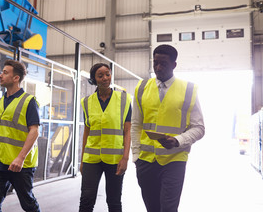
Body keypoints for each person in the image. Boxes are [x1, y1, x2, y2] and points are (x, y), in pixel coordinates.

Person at [131, 44, 205, 212]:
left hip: (174, 160)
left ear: (174, 65)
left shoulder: (189, 90)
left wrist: (178, 141)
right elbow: (136, 124)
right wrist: (136, 156)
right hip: (146, 161)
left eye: (163, 63)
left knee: (169, 208)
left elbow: (199, 128)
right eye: (155, 63)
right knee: (152, 208)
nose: (158, 67)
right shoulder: (141, 88)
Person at [0, 59, 40, 212]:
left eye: (5, 73)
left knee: (28, 204)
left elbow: (34, 131)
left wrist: (20, 157)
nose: (0, 75)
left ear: (16, 78)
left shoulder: (29, 101)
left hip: (19, 164)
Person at [79, 63, 132, 212]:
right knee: (86, 200)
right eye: (100, 75)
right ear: (94, 79)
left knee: (114, 201)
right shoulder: (86, 102)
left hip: (115, 159)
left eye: (107, 74)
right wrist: (82, 160)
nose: (105, 78)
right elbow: (86, 132)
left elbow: (127, 131)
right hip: (91, 159)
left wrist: (125, 158)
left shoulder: (124, 99)